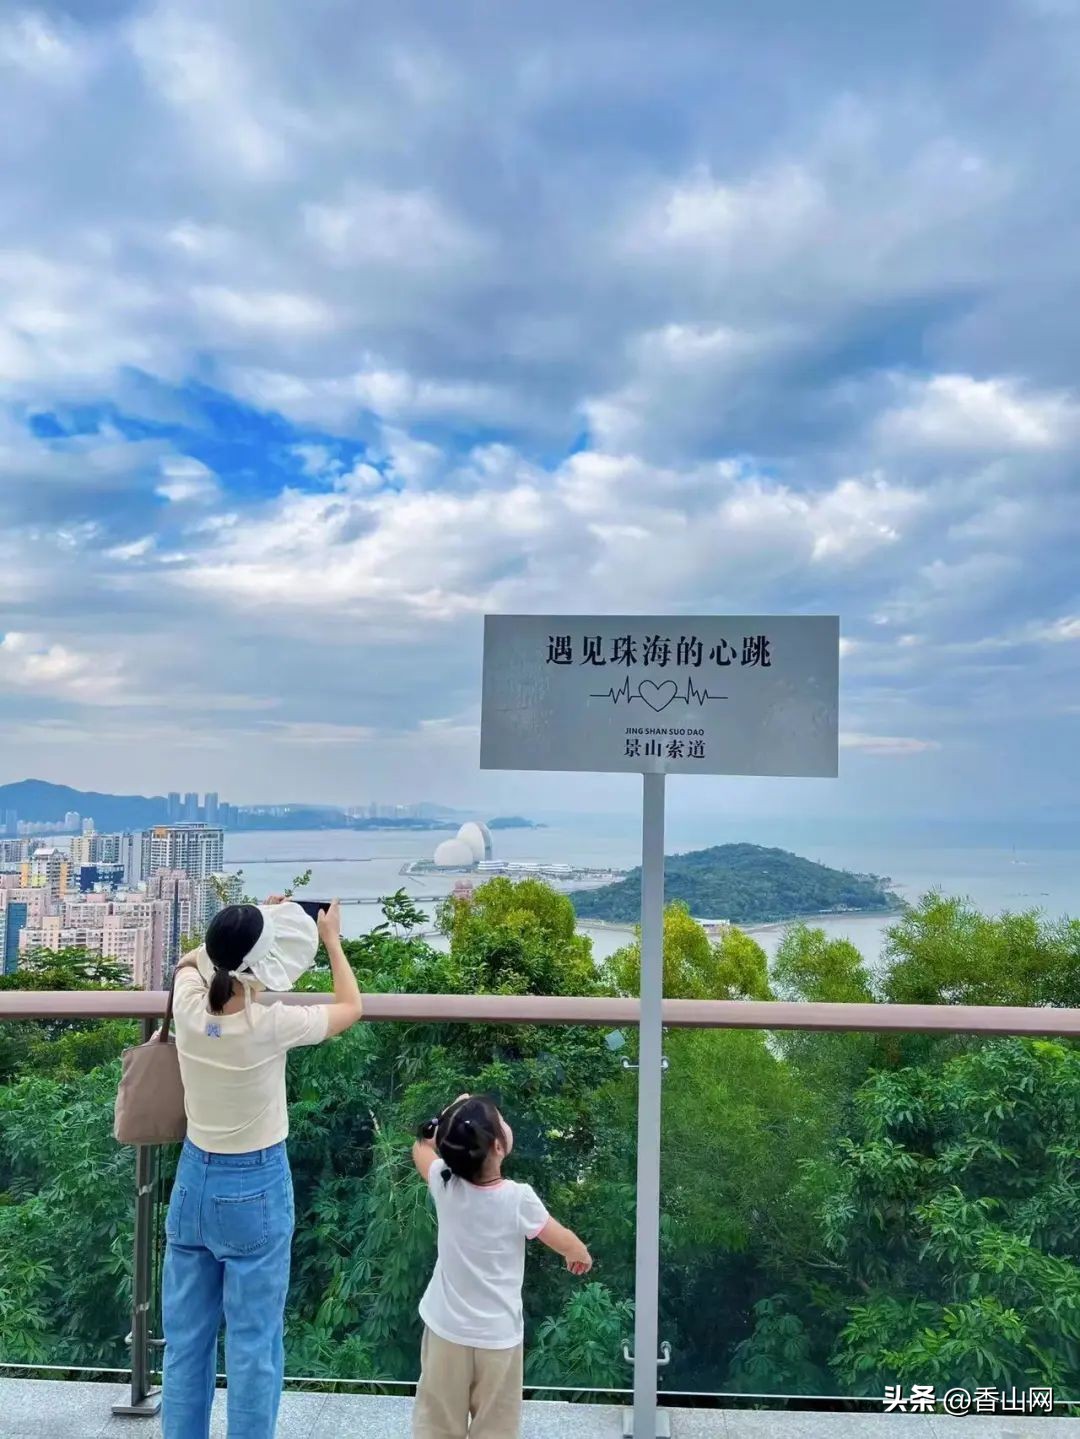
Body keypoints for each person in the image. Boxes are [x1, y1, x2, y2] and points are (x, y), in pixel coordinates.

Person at [162, 896, 363, 1439]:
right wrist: (330, 940)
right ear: (259, 965)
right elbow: (350, 1007)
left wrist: (242, 933)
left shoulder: (186, 1005)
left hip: (192, 1183)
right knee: (253, 1343)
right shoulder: (270, 1024)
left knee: (185, 1344)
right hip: (254, 1185)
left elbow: (190, 963)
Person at [410, 1093, 593, 1439]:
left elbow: (421, 1147)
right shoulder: (518, 1198)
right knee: (495, 1427)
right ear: (497, 1145)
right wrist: (579, 1254)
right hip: (497, 1339)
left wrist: (445, 1116)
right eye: (502, 1120)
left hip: (445, 1330)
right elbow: (561, 1239)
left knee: (438, 1424)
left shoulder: (444, 1183)